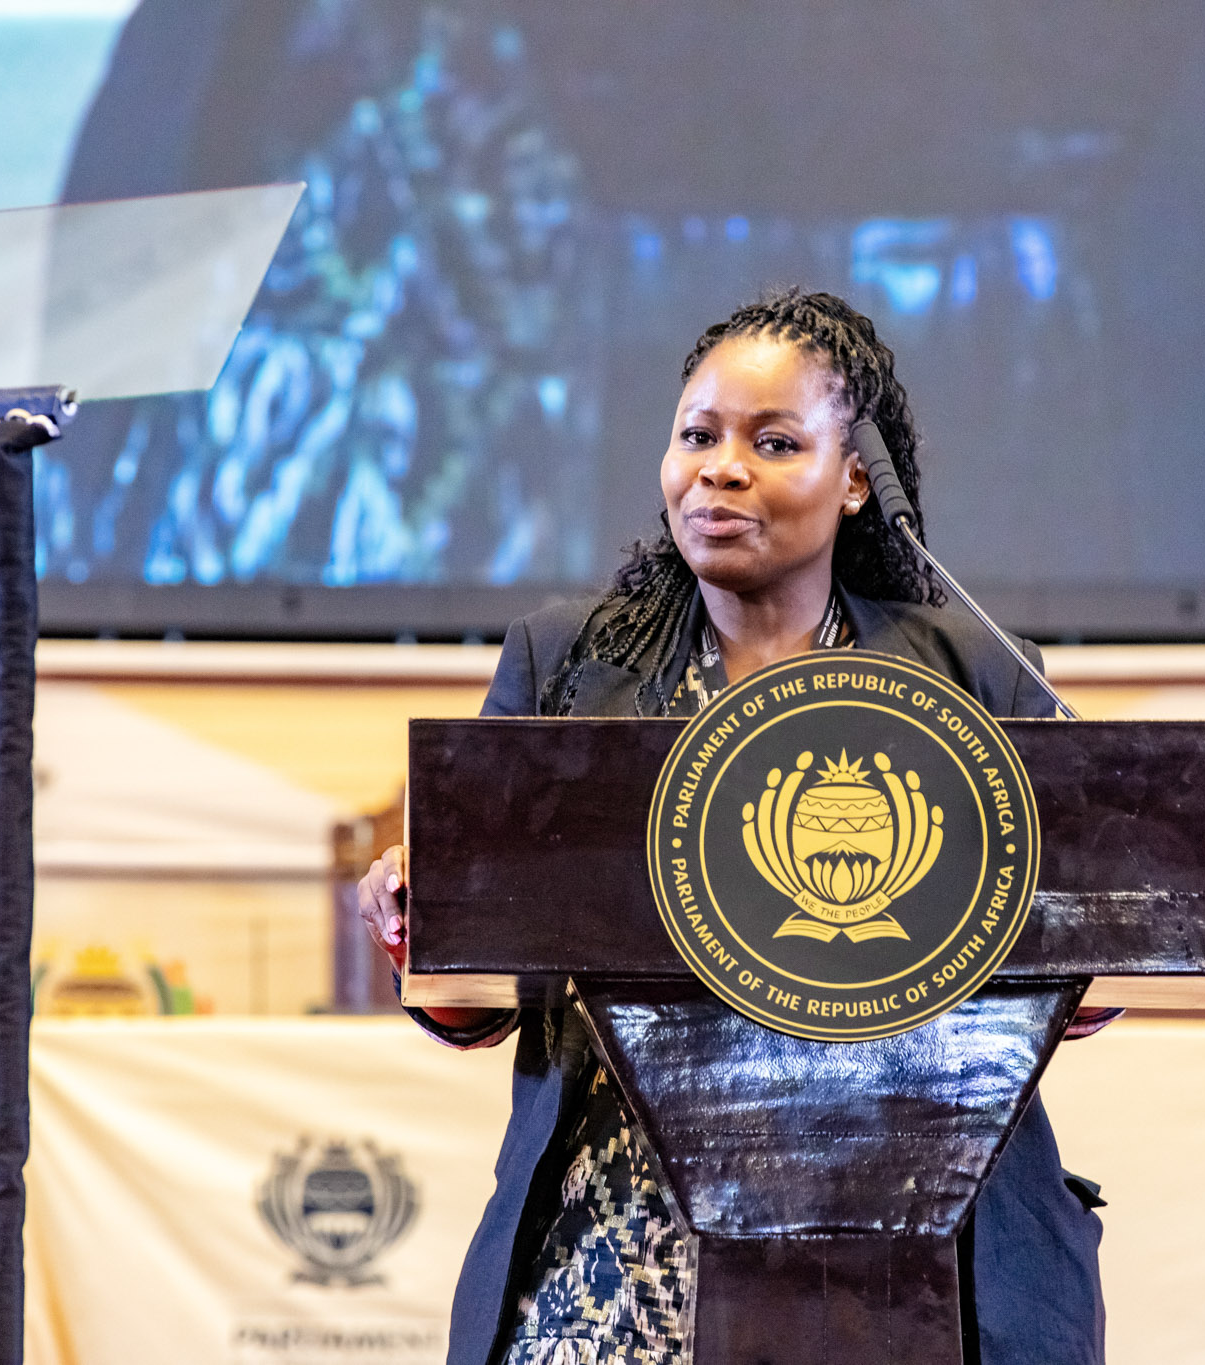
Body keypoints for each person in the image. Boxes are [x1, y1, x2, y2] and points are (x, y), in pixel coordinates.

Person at [358, 289, 1109, 1365]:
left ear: (856, 479)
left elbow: (1090, 973)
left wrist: (1092, 906)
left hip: (908, 1268)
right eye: (697, 436)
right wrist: (417, 920)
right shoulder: (567, 668)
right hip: (614, 1266)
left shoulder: (971, 675)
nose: (719, 469)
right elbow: (474, 1004)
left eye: (774, 442)